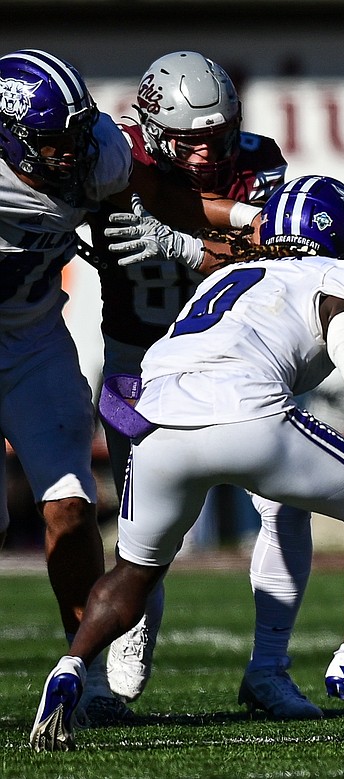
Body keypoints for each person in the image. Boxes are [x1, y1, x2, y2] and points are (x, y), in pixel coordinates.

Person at [30, 175, 344, 752]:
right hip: (247, 411)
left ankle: (71, 666)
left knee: (136, 569)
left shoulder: (224, 276)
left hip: (157, 418)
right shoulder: (343, 277)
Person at [89, 50, 320, 720]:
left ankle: (270, 668)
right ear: (156, 132)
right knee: (143, 527)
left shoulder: (259, 160)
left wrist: (188, 244)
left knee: (286, 502)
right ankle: (122, 660)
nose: (208, 154)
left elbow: (278, 251)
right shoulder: (112, 156)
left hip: (239, 359)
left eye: (217, 137)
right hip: (138, 361)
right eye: (191, 143)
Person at [0, 47, 138, 724]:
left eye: (77, 136)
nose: (71, 154)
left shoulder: (101, 153)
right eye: (54, 143)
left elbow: (138, 202)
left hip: (33, 341)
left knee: (73, 505)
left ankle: (88, 680)